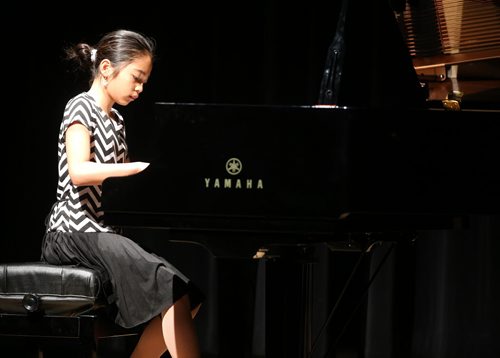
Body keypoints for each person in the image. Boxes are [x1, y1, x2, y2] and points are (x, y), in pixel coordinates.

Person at [41, 29, 204, 358]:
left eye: (144, 81)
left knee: (188, 297)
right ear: (106, 69)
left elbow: (122, 190)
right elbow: (78, 171)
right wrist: (132, 168)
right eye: (136, 78)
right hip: (72, 232)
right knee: (171, 288)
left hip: (103, 235)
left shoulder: (117, 121)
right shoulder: (80, 107)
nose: (140, 88)